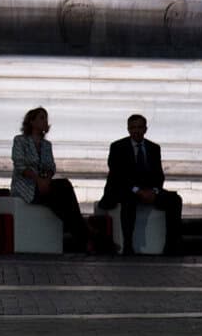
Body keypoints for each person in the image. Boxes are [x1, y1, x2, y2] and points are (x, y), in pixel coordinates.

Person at [12, 106, 94, 254]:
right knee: (61, 199)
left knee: (63, 192)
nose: (45, 121)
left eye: (46, 118)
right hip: (27, 185)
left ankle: (83, 237)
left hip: (45, 184)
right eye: (41, 118)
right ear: (31, 121)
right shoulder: (20, 141)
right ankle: (87, 234)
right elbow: (20, 165)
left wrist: (46, 180)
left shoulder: (46, 145)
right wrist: (38, 180)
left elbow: (51, 166)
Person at [99, 114, 183, 256]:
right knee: (128, 199)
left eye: (139, 127)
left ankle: (171, 246)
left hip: (149, 190)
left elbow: (159, 175)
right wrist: (138, 191)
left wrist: (154, 191)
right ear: (128, 129)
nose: (136, 131)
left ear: (145, 129)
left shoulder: (154, 148)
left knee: (175, 200)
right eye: (133, 128)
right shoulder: (118, 147)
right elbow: (118, 175)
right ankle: (128, 245)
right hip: (126, 189)